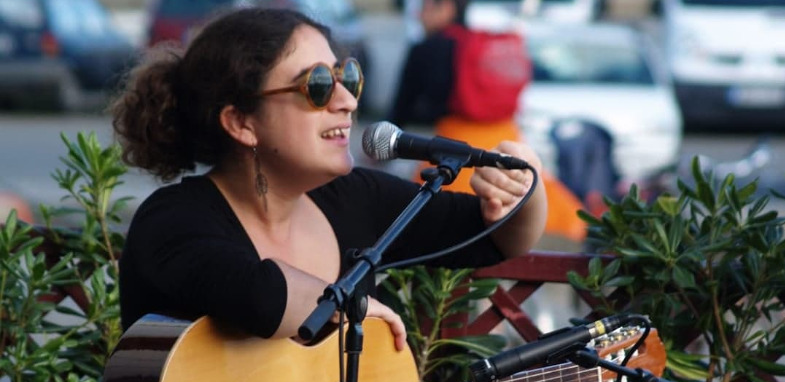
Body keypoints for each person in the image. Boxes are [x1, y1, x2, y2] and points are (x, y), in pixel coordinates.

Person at [111, 7, 547, 352]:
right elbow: (256, 295)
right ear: (241, 122)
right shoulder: (171, 221)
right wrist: (349, 306)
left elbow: (495, 238)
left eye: (346, 77)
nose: (346, 101)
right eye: (317, 86)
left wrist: (524, 186)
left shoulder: (354, 197)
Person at [390, 0, 588, 243]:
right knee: (517, 195)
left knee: (440, 221)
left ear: (447, 8)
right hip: (504, 134)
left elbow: (402, 105)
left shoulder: (427, 48)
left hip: (456, 139)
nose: (418, 15)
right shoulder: (479, 42)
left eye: (424, 8)